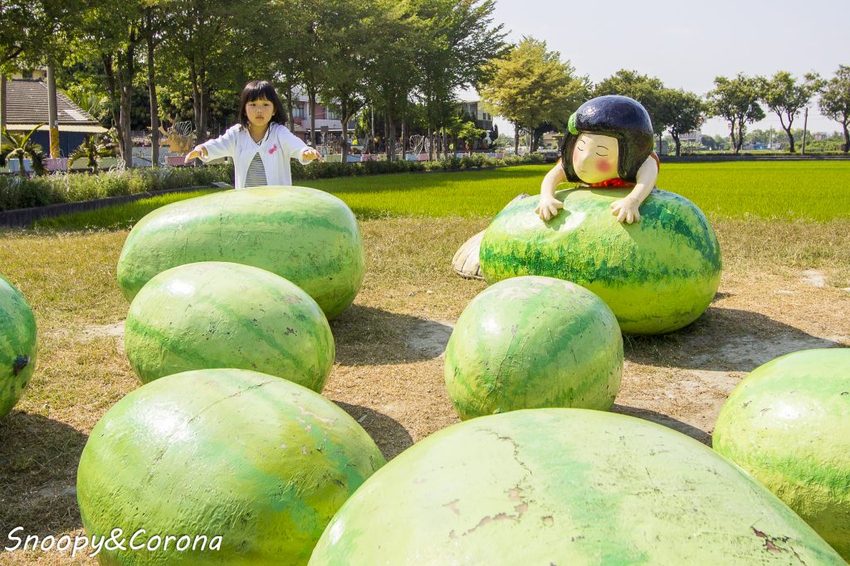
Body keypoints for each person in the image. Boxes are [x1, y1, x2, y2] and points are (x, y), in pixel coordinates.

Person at [535, 95, 659, 224]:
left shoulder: (643, 162)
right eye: (580, 147)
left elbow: (647, 179)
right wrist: (546, 197)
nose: (584, 159)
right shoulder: (567, 163)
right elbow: (552, 177)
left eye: (601, 151)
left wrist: (633, 200)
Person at [184, 80, 321, 188]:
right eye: (253, 104)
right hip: (247, 205)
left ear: (274, 110)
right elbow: (219, 144)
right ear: (244, 109)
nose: (259, 110)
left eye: (265, 104)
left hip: (277, 205)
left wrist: (305, 151)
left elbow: (294, 144)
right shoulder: (237, 134)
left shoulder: (279, 133)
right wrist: (202, 148)